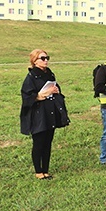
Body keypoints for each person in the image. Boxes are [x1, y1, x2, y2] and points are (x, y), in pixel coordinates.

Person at [20, 49, 70, 180]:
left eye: (47, 57)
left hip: (50, 112)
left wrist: (56, 90)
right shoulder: (31, 77)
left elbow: (55, 88)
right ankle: (38, 171)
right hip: (38, 114)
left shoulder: (50, 74)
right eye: (42, 58)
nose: (46, 60)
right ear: (34, 61)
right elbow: (26, 97)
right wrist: (38, 96)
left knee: (48, 142)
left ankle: (46, 170)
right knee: (39, 142)